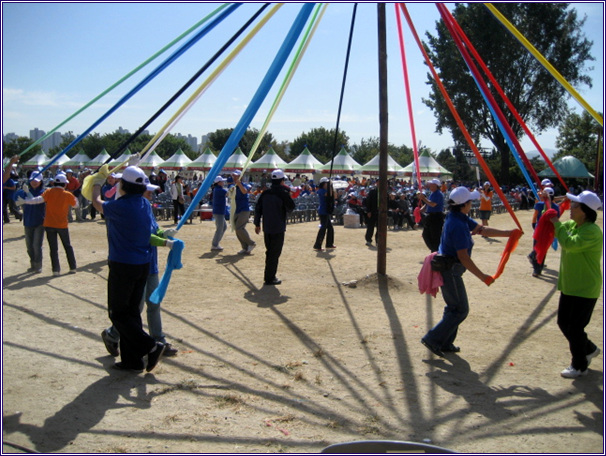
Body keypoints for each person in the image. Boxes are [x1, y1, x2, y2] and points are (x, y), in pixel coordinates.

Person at [421, 186, 516, 357]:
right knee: (460, 309)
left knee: (453, 308)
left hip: (451, 268)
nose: (472, 204)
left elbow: (482, 229)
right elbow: (463, 257)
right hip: (451, 270)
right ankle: (433, 338)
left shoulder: (457, 216)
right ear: (464, 204)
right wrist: (483, 277)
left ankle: (445, 342)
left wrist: (509, 234)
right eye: (470, 201)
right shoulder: (457, 223)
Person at [91, 165, 166, 373]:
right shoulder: (143, 203)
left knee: (118, 313)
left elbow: (98, 204)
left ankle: (151, 346)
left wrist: (96, 185)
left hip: (123, 264)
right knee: (132, 313)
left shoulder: (120, 207)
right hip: (142, 264)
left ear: (123, 185)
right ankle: (132, 360)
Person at [101, 182, 180, 359]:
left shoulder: (146, 208)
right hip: (137, 264)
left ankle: (158, 339)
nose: (151, 194)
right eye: (148, 191)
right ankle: (113, 334)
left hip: (149, 264)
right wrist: (164, 242)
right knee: (135, 307)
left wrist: (164, 233)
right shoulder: (131, 210)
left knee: (154, 303)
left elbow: (154, 230)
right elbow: (145, 237)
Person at [549, 191, 603, 378]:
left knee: (575, 327)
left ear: (586, 211)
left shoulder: (592, 231)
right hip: (571, 285)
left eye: (575, 206)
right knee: (564, 322)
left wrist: (556, 224)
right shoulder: (573, 224)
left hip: (586, 287)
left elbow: (569, 244)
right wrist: (547, 204)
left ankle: (579, 365)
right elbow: (558, 226)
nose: (571, 209)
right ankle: (589, 349)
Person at [20, 173, 78, 276]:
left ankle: (55, 270)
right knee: (67, 246)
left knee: (53, 249)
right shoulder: (67, 194)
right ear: (64, 184)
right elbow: (76, 205)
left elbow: (37, 200)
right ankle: (72, 267)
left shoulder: (48, 192)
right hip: (62, 225)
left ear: (54, 182)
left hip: (49, 224)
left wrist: (25, 201)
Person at [254, 169, 295, 285]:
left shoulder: (265, 193)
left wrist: (257, 224)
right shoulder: (283, 193)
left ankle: (269, 275)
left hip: (267, 226)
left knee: (269, 251)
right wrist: (289, 196)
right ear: (282, 181)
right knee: (275, 253)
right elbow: (291, 208)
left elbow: (258, 209)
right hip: (278, 227)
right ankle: (270, 277)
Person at [14, 171, 46, 273]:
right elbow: (15, 198)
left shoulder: (44, 192)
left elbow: (34, 201)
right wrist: (22, 190)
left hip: (40, 222)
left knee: (37, 245)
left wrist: (28, 193)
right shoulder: (23, 191)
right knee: (29, 246)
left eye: (37, 181)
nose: (34, 182)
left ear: (41, 181)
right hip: (27, 221)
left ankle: (38, 265)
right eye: (32, 180)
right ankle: (33, 263)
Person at [528, 187, 560, 277]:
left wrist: (534, 224)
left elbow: (535, 215)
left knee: (537, 248)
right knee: (543, 250)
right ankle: (539, 268)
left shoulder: (539, 205)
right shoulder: (556, 207)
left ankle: (536, 269)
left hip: (540, 230)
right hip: (548, 231)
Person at [231, 170, 256, 255]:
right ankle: (245, 247)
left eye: (236, 176)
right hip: (236, 209)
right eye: (233, 176)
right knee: (237, 229)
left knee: (239, 228)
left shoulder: (244, 185)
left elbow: (245, 191)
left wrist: (239, 184)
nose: (234, 177)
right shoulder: (233, 186)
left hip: (244, 209)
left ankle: (251, 243)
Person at [418, 178, 445, 252]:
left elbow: (433, 204)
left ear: (436, 185)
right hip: (431, 216)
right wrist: (423, 208)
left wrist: (424, 199)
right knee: (426, 234)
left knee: (435, 235)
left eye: (431, 184)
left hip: (436, 216)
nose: (429, 185)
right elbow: (429, 203)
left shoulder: (438, 194)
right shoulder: (432, 193)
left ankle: (436, 251)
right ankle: (434, 250)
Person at [313, 177, 337, 251]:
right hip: (323, 211)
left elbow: (335, 195)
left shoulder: (328, 190)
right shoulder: (321, 191)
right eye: (326, 183)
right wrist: (330, 188)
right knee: (323, 228)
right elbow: (328, 195)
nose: (327, 185)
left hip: (326, 211)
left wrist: (331, 186)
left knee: (330, 228)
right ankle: (317, 245)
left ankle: (329, 243)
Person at [211, 175, 228, 251]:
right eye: (222, 181)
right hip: (219, 211)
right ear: (218, 183)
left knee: (223, 227)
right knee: (220, 228)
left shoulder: (217, 189)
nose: (223, 182)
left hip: (219, 211)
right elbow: (228, 193)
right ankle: (214, 244)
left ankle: (216, 243)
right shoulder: (219, 190)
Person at [364, 181, 379, 247]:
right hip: (372, 211)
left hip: (381, 212)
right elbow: (368, 202)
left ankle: (378, 241)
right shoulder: (372, 191)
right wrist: (368, 211)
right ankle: (368, 240)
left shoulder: (385, 192)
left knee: (380, 228)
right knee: (370, 226)